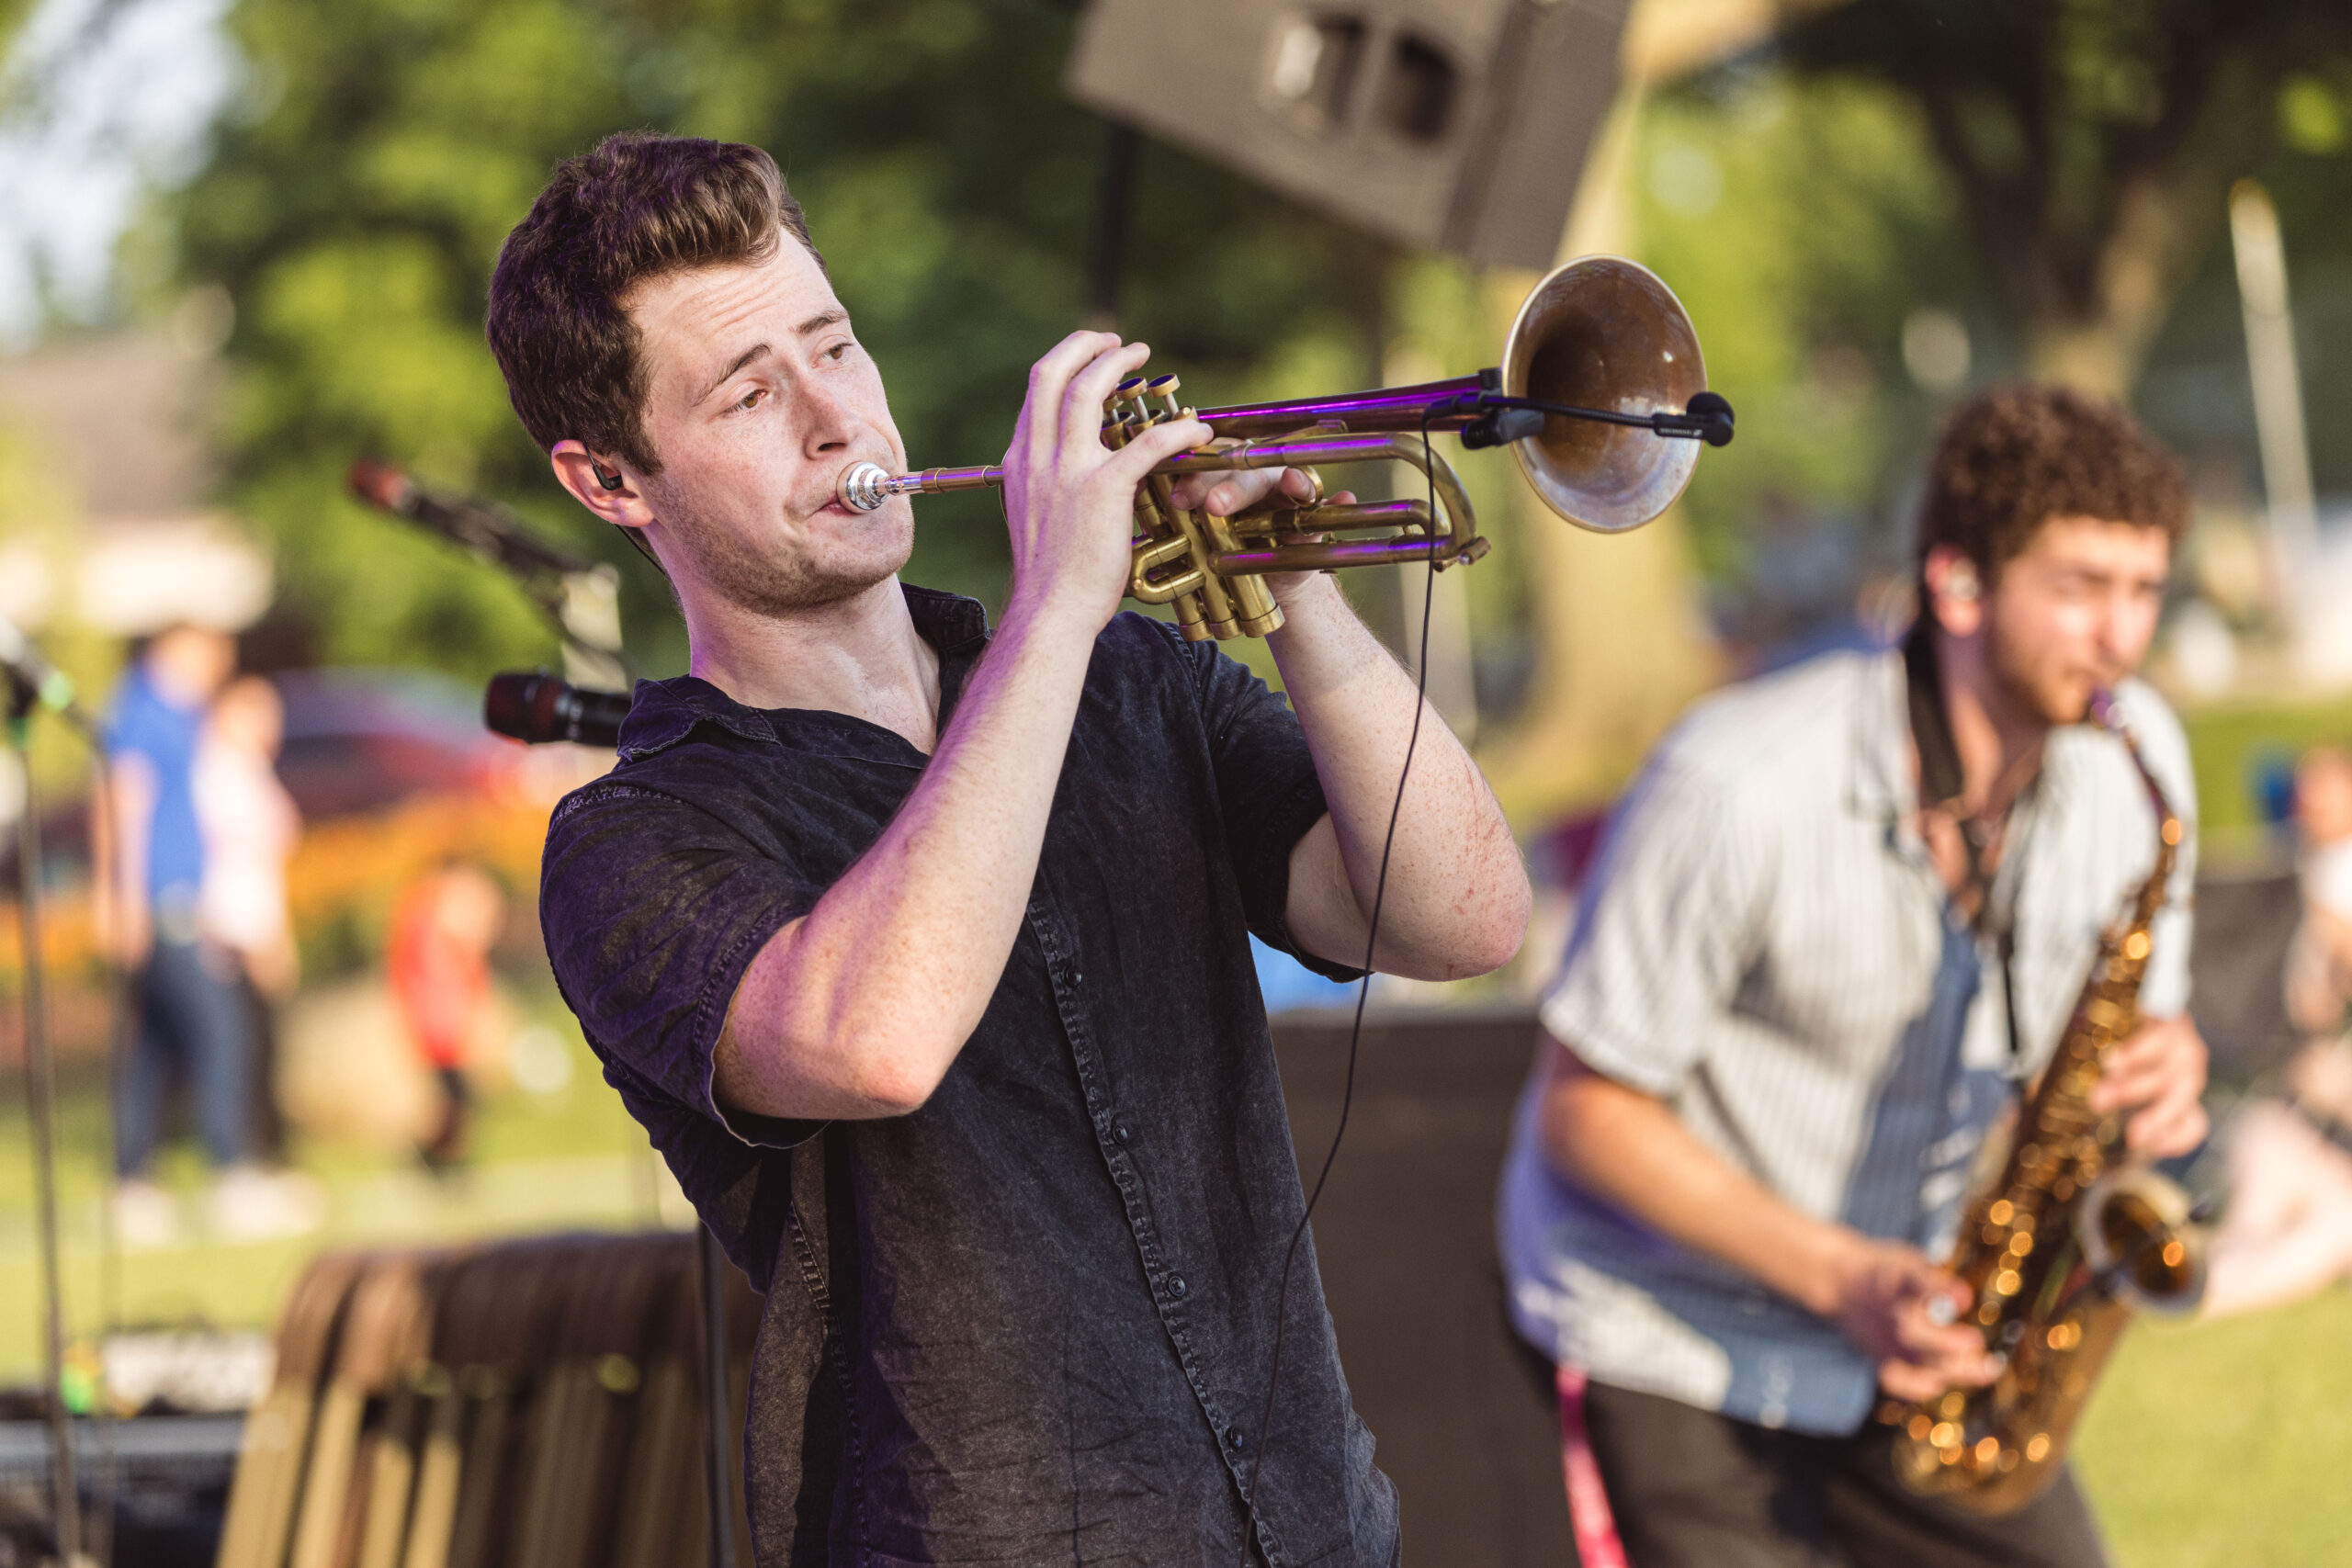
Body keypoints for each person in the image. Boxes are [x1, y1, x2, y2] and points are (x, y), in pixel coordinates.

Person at [492, 132, 1528, 1565]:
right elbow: (877, 1040)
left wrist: (1301, 603)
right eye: (749, 390)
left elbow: (1464, 919)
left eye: (836, 346)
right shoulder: (633, 839)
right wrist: (1053, 607)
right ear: (611, 480)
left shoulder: (1132, 684)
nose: (835, 418)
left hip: (1308, 1525)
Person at [1497, 385, 2209, 1568]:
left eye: (2143, 590)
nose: (2121, 641)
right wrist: (1837, 1277)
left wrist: (2166, 1066)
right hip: (1679, 1341)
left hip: (1925, 1325)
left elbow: (2135, 1033)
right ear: (1958, 583)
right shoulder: (1738, 781)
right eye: (2080, 588)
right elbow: (1582, 1112)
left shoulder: (2141, 763)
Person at [99, 629, 322, 1247]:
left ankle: (131, 1181)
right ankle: (230, 1172)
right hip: (164, 902)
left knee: (153, 1043)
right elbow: (122, 801)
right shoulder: (144, 712)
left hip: (181, 901)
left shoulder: (181, 718)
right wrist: (121, 895)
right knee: (219, 1033)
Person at [2201, 744, 2352, 1317]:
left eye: (2326, 786)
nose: (2309, 799)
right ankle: (2199, 1285)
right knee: (2261, 1181)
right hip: (2289, 1109)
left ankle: (2212, 1291)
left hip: (2328, 1105)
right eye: (2304, 786)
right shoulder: (2280, 869)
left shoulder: (2325, 880)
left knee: (2328, 1230)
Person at [194, 673, 303, 1160]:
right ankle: (244, 1156)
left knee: (263, 1049)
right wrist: (251, 938)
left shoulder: (252, 770)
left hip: (260, 926)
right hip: (235, 935)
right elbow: (222, 868)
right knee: (240, 1050)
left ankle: (266, 1151)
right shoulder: (215, 774)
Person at [386, 860, 506, 1168]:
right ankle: (436, 1159)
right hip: (439, 1028)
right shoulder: (429, 920)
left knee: (455, 1097)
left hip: (447, 1027)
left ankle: (442, 1159)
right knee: (451, 1097)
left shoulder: (426, 914)